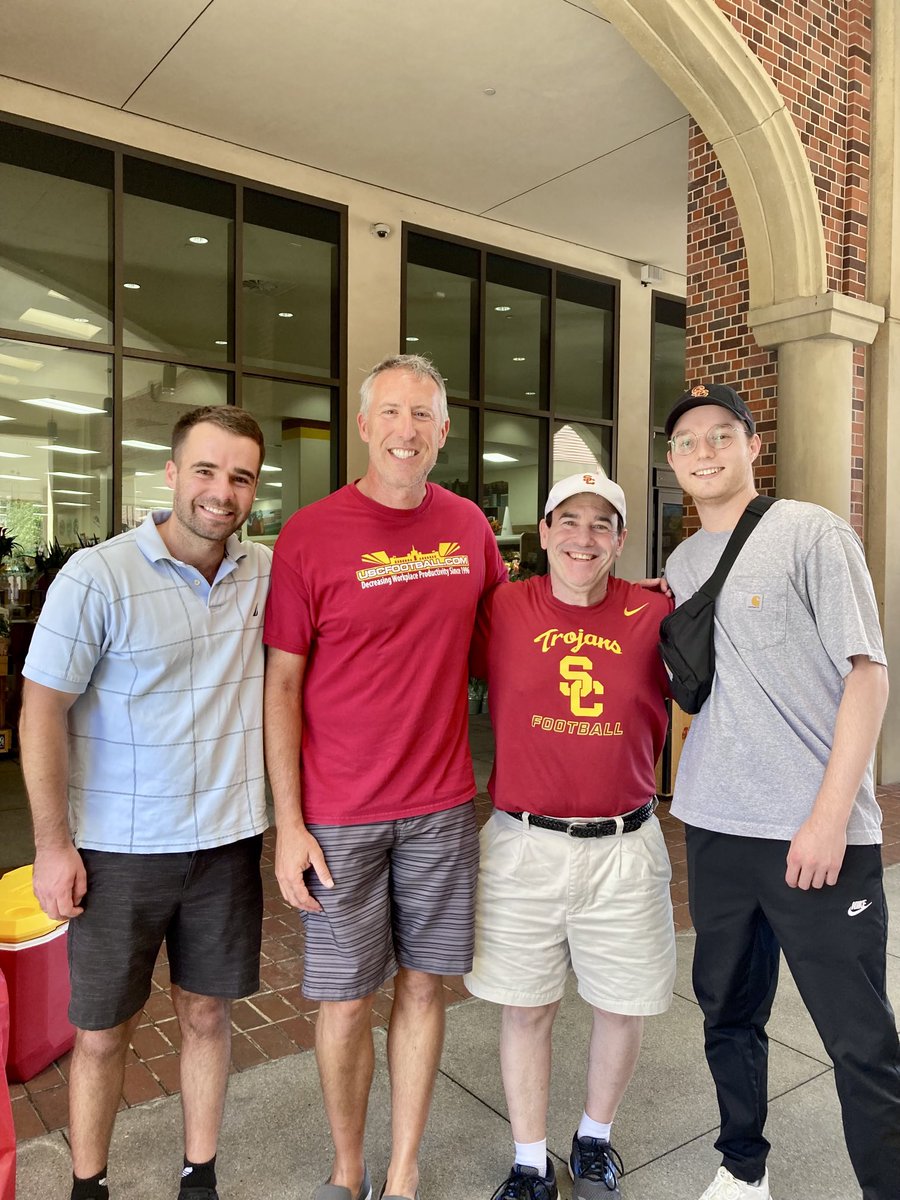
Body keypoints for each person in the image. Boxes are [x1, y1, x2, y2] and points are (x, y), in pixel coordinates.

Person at [263, 354, 507, 1200]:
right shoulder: (310, 533)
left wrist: (631, 604)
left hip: (441, 806)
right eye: (392, 413)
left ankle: (402, 1171)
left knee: (424, 986)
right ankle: (347, 1167)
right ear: (365, 426)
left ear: (443, 431)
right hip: (339, 814)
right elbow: (283, 684)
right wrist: (288, 824)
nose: (407, 430)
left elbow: (509, 638)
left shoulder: (470, 527)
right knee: (342, 1000)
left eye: (424, 415)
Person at [19, 406, 272, 1200]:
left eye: (239, 476)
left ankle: (201, 1174)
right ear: (170, 473)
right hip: (119, 850)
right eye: (205, 470)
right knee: (100, 1034)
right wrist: (53, 845)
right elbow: (40, 712)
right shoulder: (98, 576)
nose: (220, 491)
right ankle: (88, 1184)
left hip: (227, 845)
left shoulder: (265, 572)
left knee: (206, 1016)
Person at [663, 383, 900, 1200]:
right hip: (716, 826)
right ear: (672, 461)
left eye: (720, 435)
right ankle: (742, 1166)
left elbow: (868, 678)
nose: (705, 451)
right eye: (688, 441)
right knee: (728, 1012)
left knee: (860, 1039)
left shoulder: (812, 533)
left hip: (816, 833)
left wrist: (830, 817)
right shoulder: (682, 563)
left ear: (750, 445)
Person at [464, 471, 676, 1200]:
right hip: (523, 843)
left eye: (601, 525)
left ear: (619, 540)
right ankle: (529, 1160)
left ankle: (593, 1141)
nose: (584, 538)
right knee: (526, 1005)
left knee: (621, 1004)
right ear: (544, 531)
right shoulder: (502, 606)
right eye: (570, 521)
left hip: (623, 844)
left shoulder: (655, 613)